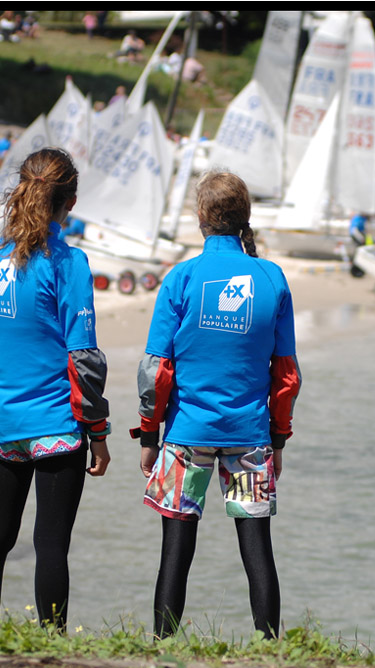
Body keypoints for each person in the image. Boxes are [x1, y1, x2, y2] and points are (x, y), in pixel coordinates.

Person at [134, 170, 302, 639]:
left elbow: (155, 370)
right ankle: (271, 649)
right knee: (257, 551)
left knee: (175, 551)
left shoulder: (182, 278)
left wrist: (149, 436)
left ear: (202, 217)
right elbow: (286, 376)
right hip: (250, 437)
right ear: (243, 217)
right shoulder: (271, 278)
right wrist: (279, 439)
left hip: (186, 435)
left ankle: (162, 649)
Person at [0, 147, 112, 631]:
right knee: (51, 545)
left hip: (5, 422)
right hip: (57, 424)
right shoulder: (68, 264)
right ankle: (51, 648)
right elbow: (83, 358)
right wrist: (99, 431)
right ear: (69, 202)